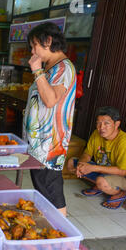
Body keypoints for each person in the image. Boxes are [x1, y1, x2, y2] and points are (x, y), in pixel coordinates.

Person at [22, 22, 77, 217]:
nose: (32, 51)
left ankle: (61, 235)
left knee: (51, 189)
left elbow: (51, 99)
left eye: (34, 45)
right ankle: (50, 227)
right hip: (39, 142)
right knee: (43, 188)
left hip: (50, 144)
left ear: (48, 41)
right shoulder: (52, 67)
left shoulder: (64, 68)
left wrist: (36, 69)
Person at [67, 106, 126, 209]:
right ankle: (101, 185)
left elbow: (122, 171)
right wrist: (82, 164)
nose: (101, 127)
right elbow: (87, 154)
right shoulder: (96, 134)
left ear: (117, 124)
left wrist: (92, 168)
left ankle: (120, 193)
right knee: (72, 163)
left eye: (106, 123)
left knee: (101, 182)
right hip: (105, 170)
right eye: (98, 123)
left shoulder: (124, 142)